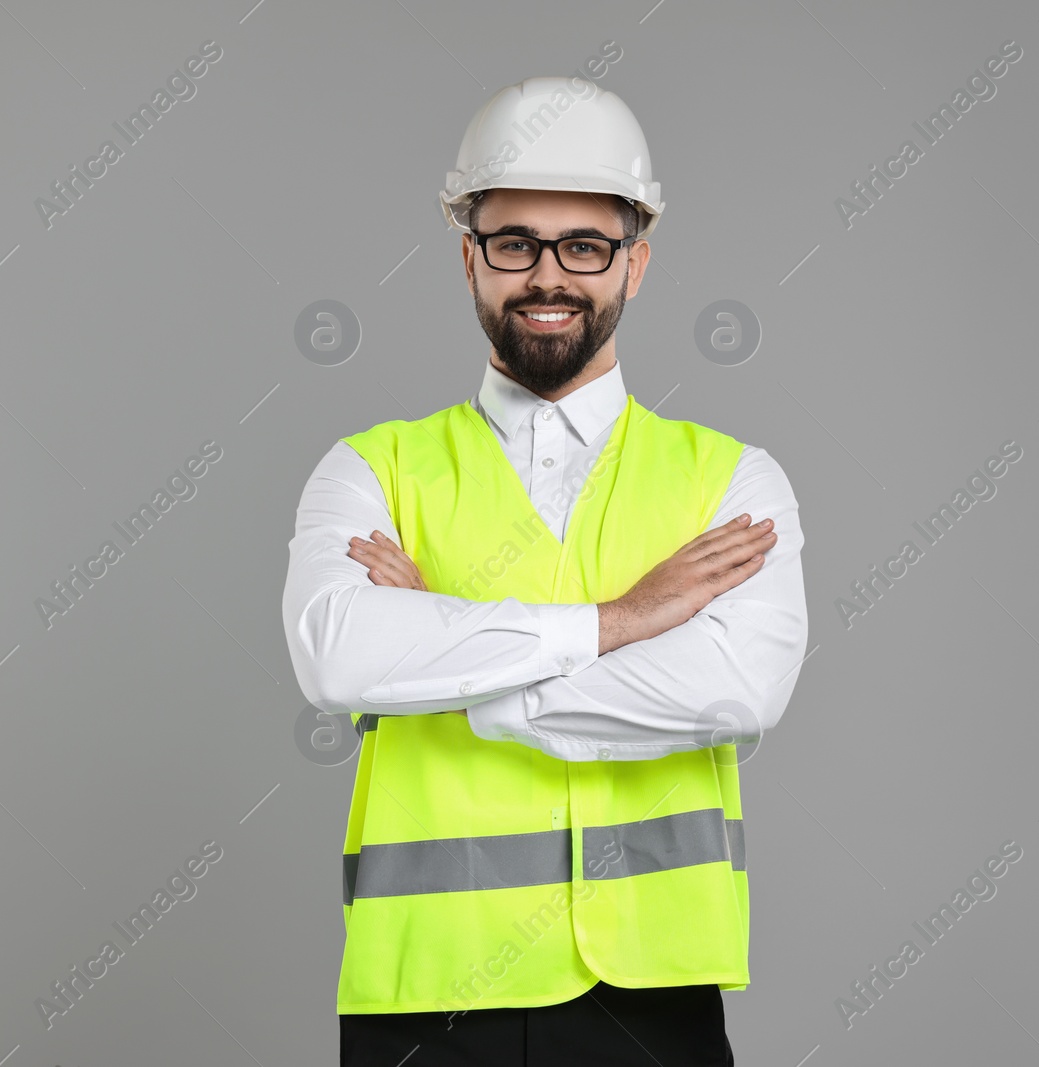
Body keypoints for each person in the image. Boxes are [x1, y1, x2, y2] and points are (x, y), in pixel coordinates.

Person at [282, 75, 808, 1067]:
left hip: (652, 999)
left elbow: (735, 687)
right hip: (422, 997)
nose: (547, 275)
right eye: (514, 242)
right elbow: (338, 660)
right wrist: (621, 618)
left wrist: (450, 669)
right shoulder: (369, 470)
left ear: (635, 265)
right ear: (469, 258)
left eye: (585, 246)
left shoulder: (733, 480)